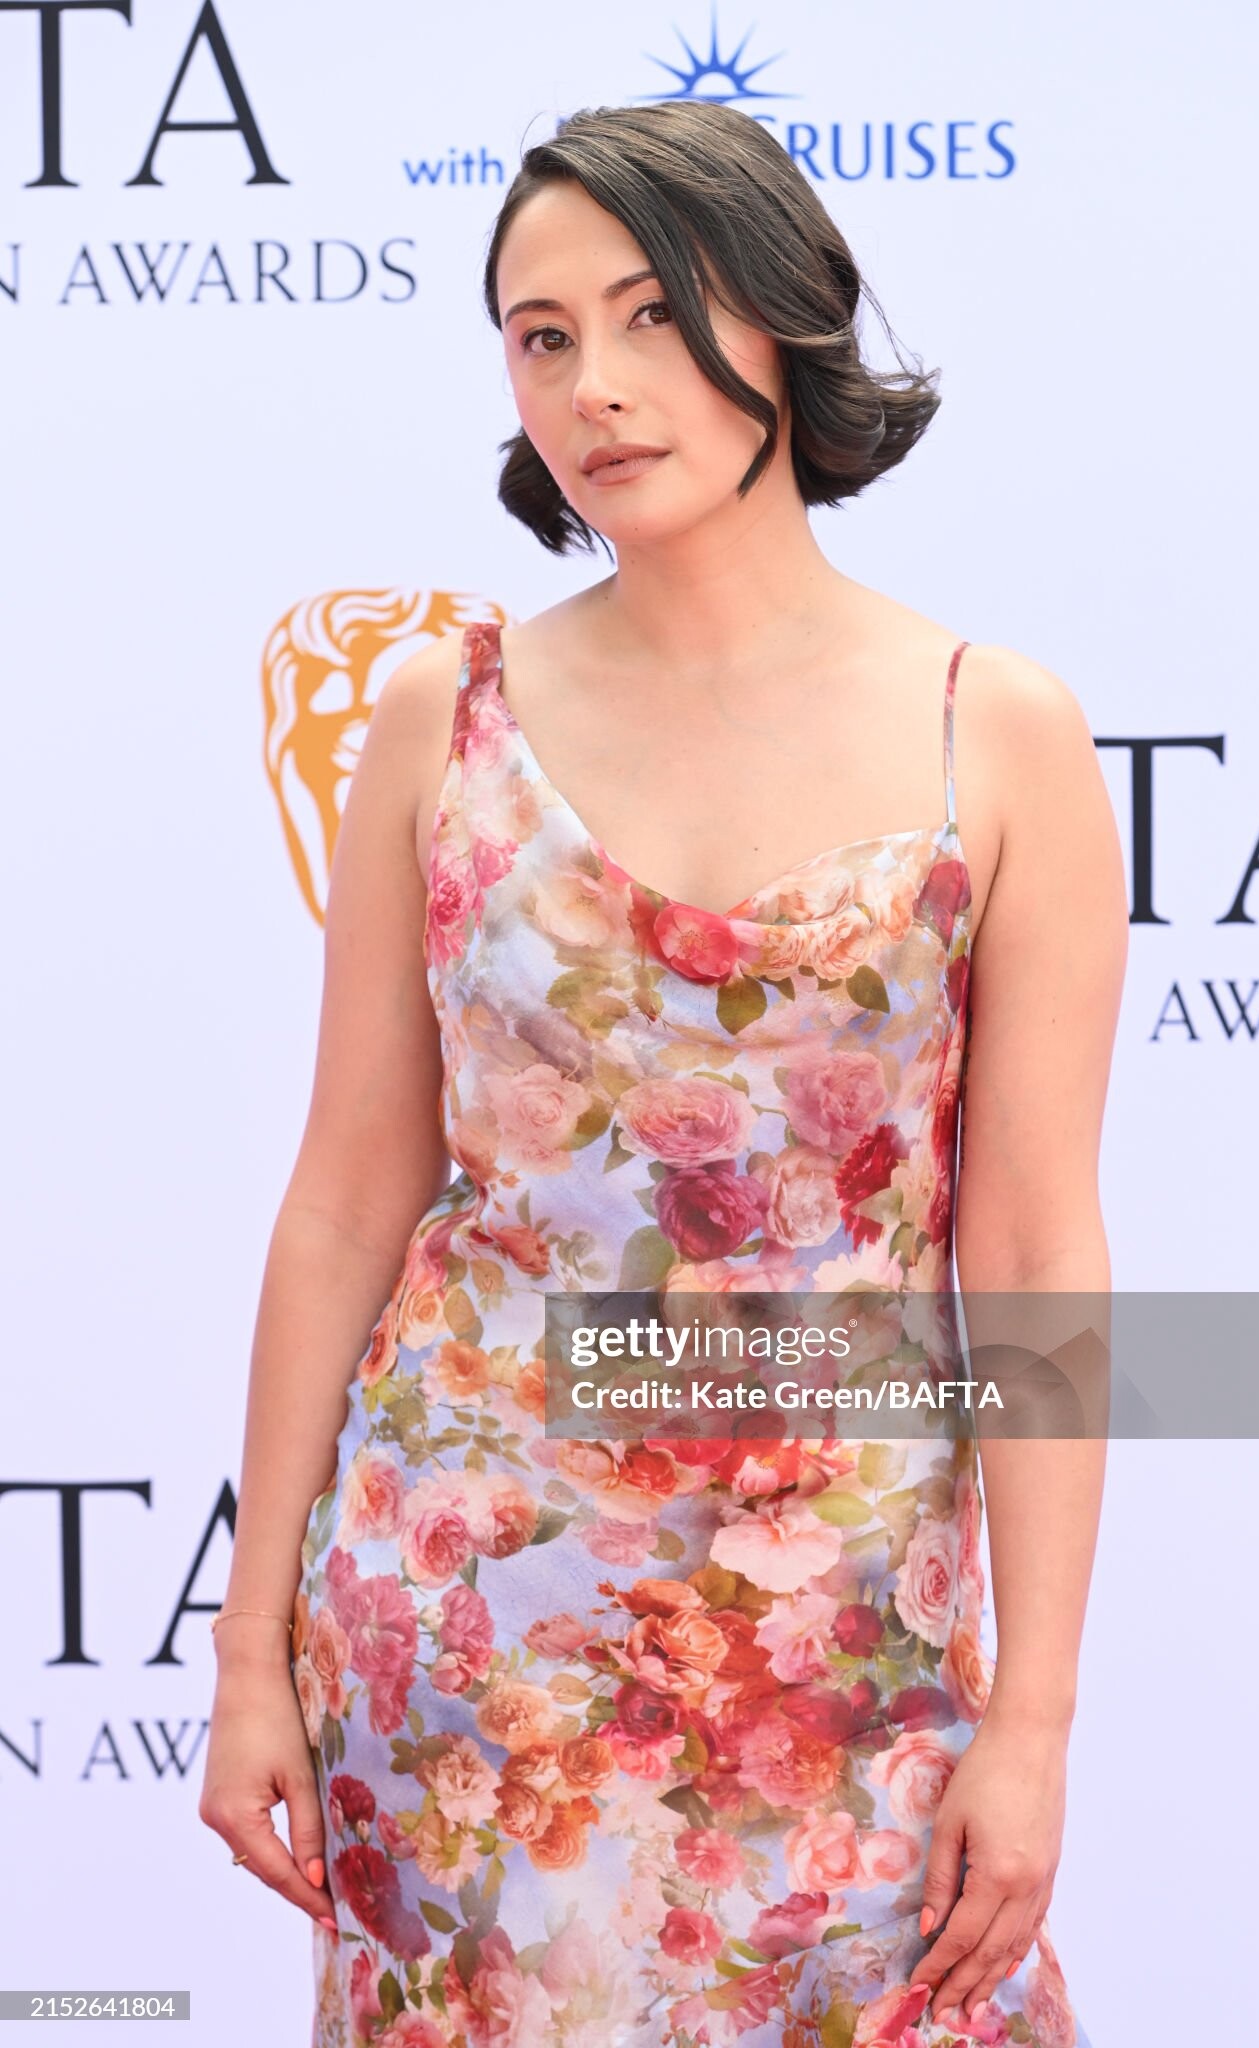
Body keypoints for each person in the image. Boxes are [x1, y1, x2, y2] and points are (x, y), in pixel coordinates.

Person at [200, 99, 1126, 2048]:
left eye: (647, 314)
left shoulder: (996, 733)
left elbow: (1033, 1242)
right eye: (540, 338)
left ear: (781, 319)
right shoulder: (438, 720)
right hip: (460, 1624)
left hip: (843, 1637)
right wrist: (252, 1648)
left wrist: (1032, 1713)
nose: (594, 387)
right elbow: (348, 1197)